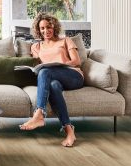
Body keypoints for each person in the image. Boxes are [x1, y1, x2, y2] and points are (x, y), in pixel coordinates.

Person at [19, 13, 83, 147]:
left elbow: (77, 61)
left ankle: (39, 114)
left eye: (48, 27)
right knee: (53, 85)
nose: (45, 31)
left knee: (45, 71)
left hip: (72, 76)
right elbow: (38, 67)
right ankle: (69, 130)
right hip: (53, 78)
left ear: (54, 27)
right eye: (42, 28)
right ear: (38, 30)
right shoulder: (36, 47)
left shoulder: (65, 40)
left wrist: (61, 65)